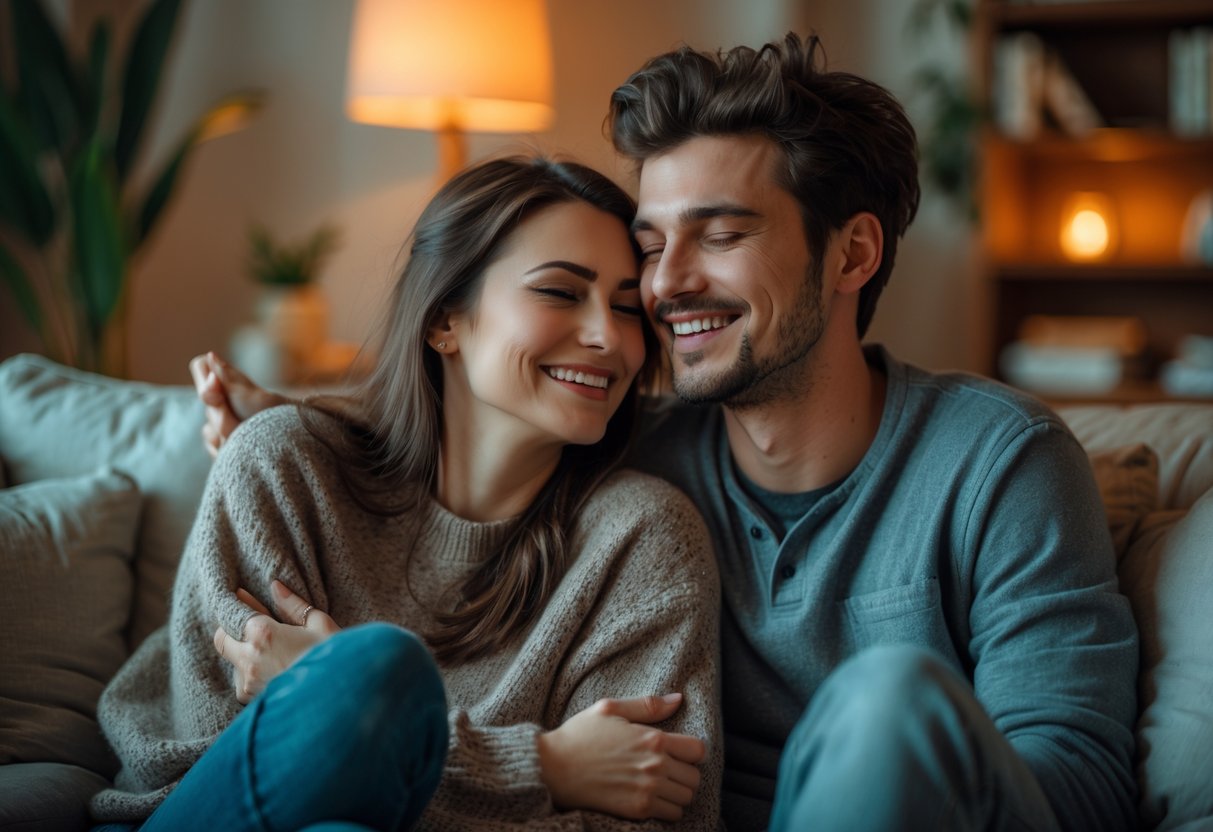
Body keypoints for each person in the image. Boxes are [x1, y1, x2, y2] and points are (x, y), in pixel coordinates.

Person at [198, 32, 1140, 832]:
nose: (664, 285)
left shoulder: (998, 459)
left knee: (889, 700)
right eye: (651, 244)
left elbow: (1084, 779)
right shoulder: (629, 451)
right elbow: (473, 416)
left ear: (852, 252)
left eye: (720, 235)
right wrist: (297, 426)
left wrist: (895, 763)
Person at [91, 156, 723, 831]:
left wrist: (331, 704)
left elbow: (661, 816)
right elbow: (211, 756)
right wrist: (540, 768)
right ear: (443, 320)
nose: (608, 337)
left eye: (627, 307)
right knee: (379, 671)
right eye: (561, 292)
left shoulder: (644, 538)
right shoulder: (281, 468)